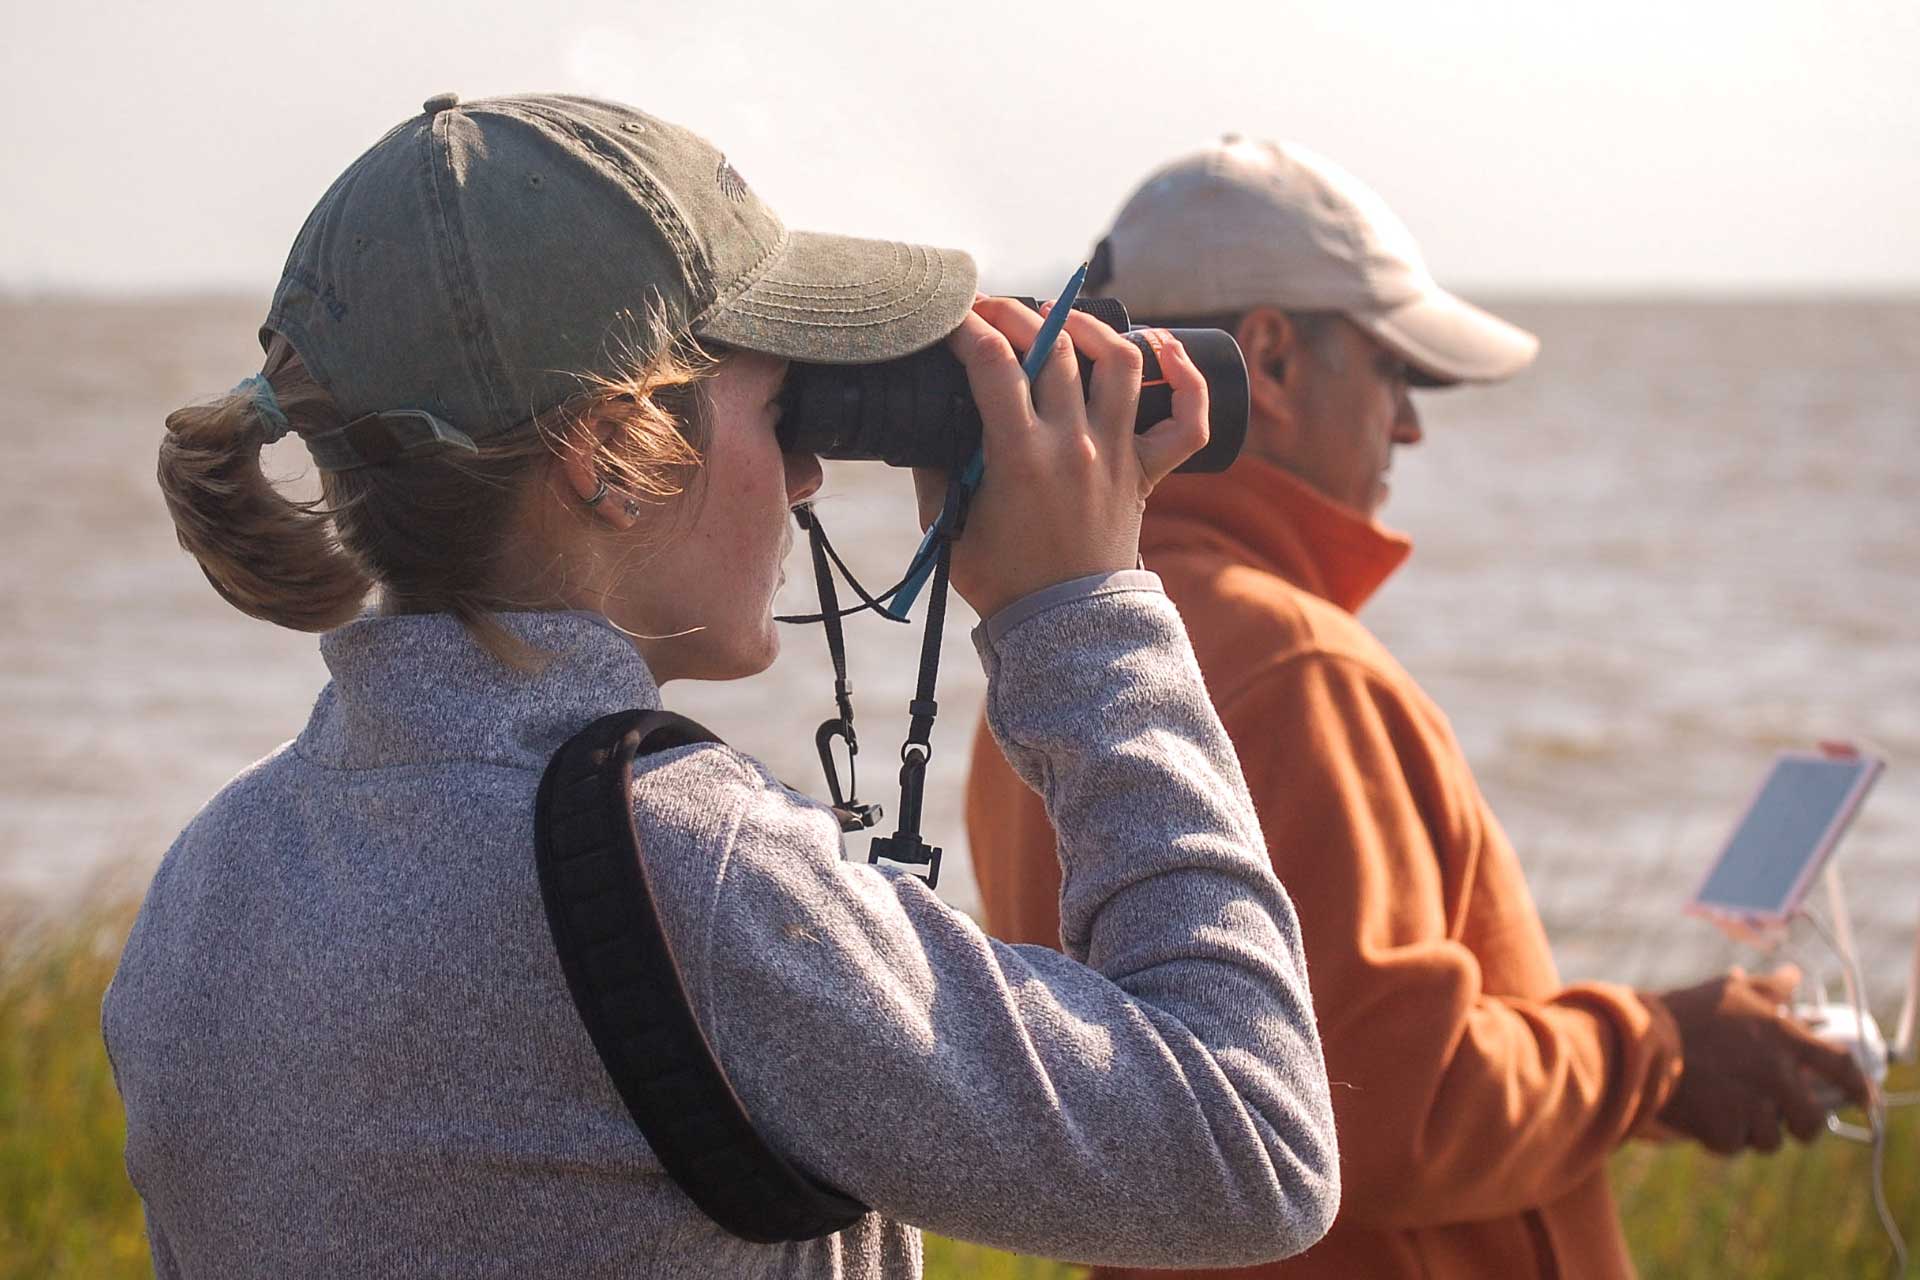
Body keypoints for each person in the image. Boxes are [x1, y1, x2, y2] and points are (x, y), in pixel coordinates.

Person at [99, 95, 1340, 1278]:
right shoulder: (696, 873)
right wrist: (1080, 611)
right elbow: (1254, 1144)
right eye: (783, 402)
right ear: (609, 456)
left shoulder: (209, 887)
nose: (807, 474)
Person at [964, 138, 1870, 1280]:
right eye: (1397, 371)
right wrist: (1663, 1051)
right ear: (1273, 360)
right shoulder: (1297, 663)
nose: (1410, 426)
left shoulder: (1053, 656)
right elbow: (1392, 1106)